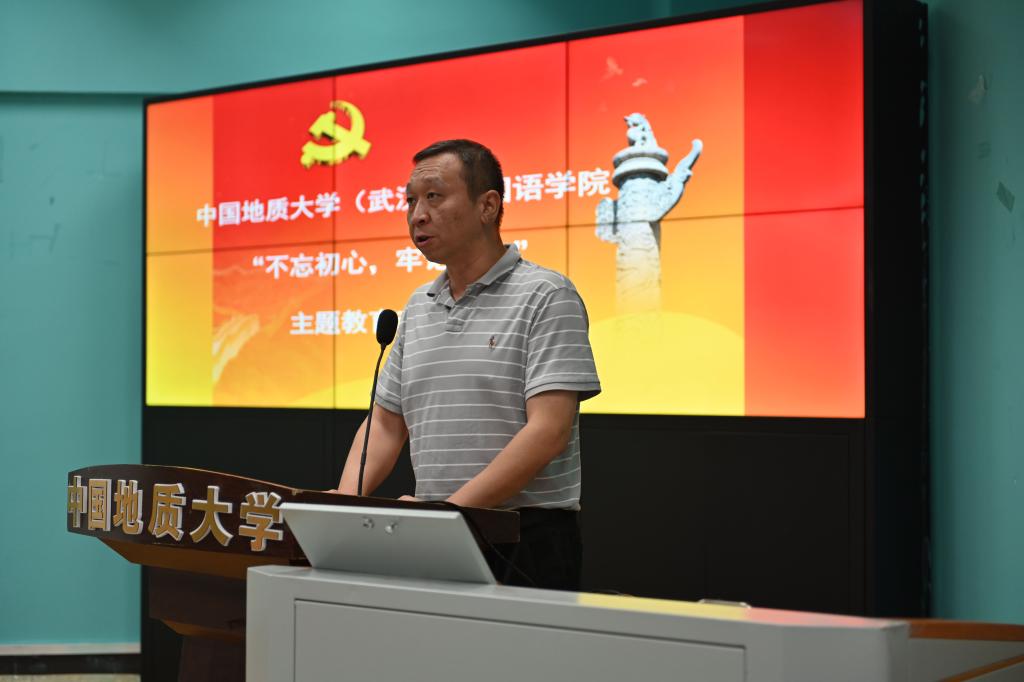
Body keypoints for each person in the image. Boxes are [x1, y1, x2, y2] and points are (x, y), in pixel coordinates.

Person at [333, 139, 600, 590]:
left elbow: (549, 431)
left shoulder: (547, 295)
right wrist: (342, 506)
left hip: (522, 536)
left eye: (434, 196)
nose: (417, 214)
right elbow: (385, 424)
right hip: (439, 530)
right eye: (410, 201)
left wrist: (449, 513)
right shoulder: (418, 306)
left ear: (487, 206)